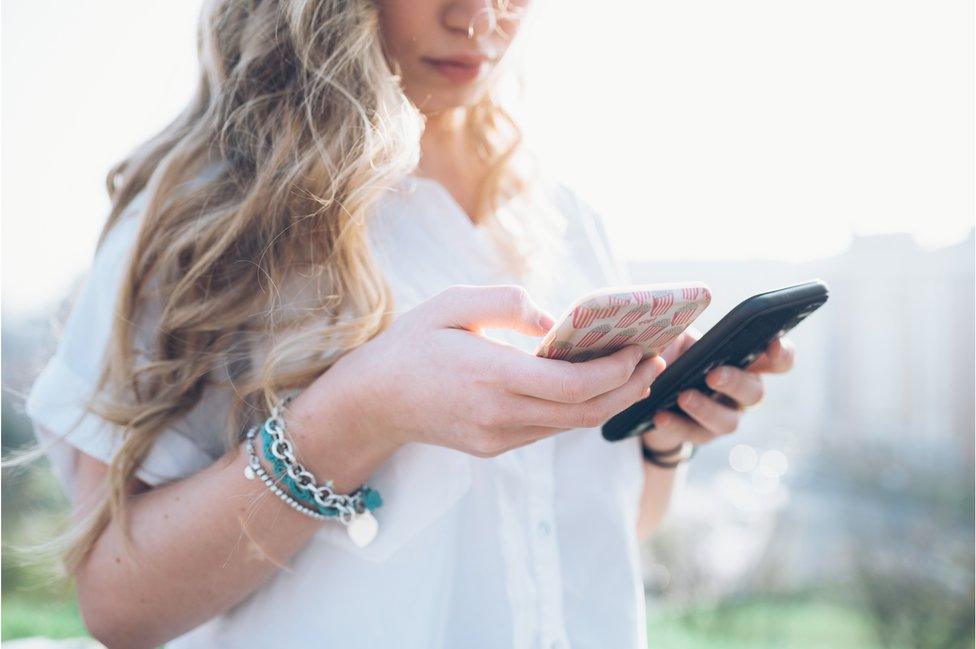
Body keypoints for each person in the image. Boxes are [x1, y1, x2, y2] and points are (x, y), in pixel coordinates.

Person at [21, 1, 795, 647]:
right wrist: (357, 412)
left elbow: (593, 528)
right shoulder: (211, 218)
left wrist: (662, 437)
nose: (480, 17)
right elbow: (118, 603)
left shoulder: (564, 218)